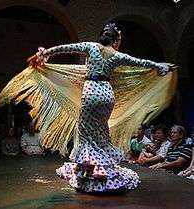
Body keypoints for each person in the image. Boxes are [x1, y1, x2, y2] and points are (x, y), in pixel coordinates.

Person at [27, 22, 174, 193]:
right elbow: (140, 62)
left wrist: (45, 53)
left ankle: (91, 173)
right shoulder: (118, 55)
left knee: (87, 133)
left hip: (91, 93)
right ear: (115, 40)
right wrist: (160, 66)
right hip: (107, 94)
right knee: (101, 132)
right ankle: (103, 171)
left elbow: (66, 48)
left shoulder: (91, 46)